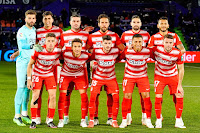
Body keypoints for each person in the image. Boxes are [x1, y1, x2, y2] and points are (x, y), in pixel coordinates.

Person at [86, 14, 125, 125]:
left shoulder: (115, 36)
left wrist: (113, 60)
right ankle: (95, 117)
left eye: (106, 22)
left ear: (109, 24)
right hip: (97, 71)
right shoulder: (92, 36)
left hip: (109, 71)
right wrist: (95, 58)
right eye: (102, 22)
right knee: (95, 95)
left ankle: (110, 118)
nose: (104, 24)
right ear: (98, 24)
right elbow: (87, 49)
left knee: (110, 95)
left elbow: (122, 50)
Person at [59, 14, 90, 125]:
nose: (76, 23)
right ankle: (66, 117)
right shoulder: (64, 34)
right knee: (67, 94)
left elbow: (89, 49)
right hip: (67, 69)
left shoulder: (86, 34)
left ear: (80, 22)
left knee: (84, 94)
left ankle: (84, 118)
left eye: (78, 21)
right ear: (70, 22)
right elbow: (60, 49)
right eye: (74, 21)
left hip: (81, 70)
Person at [118, 34, 154, 128]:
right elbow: (118, 58)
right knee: (127, 96)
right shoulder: (127, 50)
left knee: (146, 96)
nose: (138, 44)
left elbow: (158, 57)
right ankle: (124, 120)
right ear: (132, 43)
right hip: (129, 76)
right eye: (136, 42)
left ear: (143, 42)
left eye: (139, 42)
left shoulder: (147, 51)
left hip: (142, 76)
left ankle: (148, 120)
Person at [27, 33, 61, 129]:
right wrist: (29, 79)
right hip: (37, 74)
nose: (50, 43)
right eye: (48, 41)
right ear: (45, 42)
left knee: (53, 96)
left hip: (49, 75)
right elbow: (30, 65)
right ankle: (33, 120)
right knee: (35, 95)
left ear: (55, 42)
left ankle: (50, 120)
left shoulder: (58, 51)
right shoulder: (39, 50)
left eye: (52, 41)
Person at [35, 11, 63, 125]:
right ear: (43, 20)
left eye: (49, 19)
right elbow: (36, 46)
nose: (47, 21)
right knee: (38, 92)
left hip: (54, 65)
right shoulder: (38, 32)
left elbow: (63, 44)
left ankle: (49, 117)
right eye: (45, 19)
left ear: (52, 19)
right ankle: (37, 116)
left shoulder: (59, 31)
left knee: (52, 92)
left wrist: (55, 56)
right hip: (41, 65)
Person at [152, 34, 186, 128]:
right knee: (158, 96)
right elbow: (145, 52)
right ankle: (158, 119)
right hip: (159, 76)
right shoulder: (156, 50)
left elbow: (181, 69)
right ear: (163, 42)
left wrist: (180, 85)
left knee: (179, 94)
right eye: (166, 42)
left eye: (170, 43)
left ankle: (178, 119)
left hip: (172, 76)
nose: (168, 45)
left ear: (173, 43)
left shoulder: (178, 53)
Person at [88, 35, 120, 128]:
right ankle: (92, 119)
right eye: (105, 43)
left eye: (109, 43)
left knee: (115, 98)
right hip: (98, 78)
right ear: (102, 43)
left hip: (111, 78)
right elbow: (90, 58)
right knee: (93, 97)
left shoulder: (115, 51)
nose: (107, 45)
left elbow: (121, 56)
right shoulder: (96, 52)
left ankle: (113, 119)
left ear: (112, 44)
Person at [12, 10, 37, 126]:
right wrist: (33, 45)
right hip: (23, 63)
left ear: (35, 19)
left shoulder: (34, 30)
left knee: (28, 88)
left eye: (33, 18)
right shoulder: (22, 31)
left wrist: (16, 53)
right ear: (25, 19)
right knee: (21, 87)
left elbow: (25, 48)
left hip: (31, 63)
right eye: (29, 18)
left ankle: (25, 113)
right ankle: (16, 116)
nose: (31, 20)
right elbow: (22, 45)